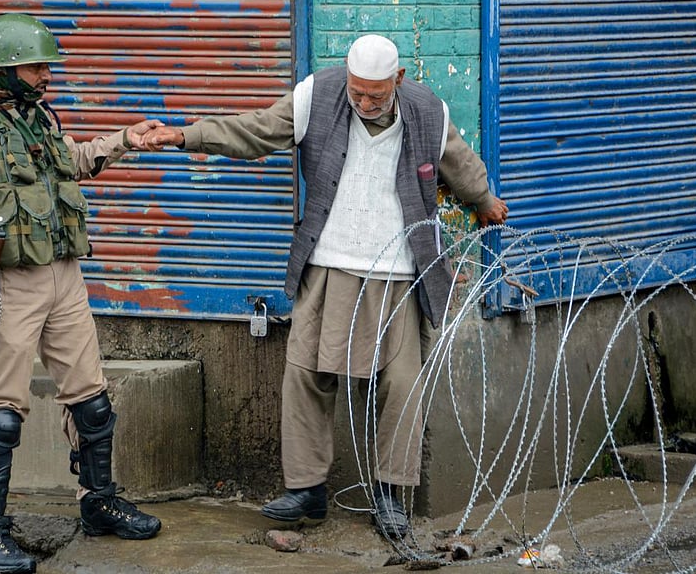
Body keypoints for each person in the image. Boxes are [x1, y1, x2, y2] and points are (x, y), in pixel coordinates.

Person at [145, 33, 508, 539]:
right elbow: (253, 132)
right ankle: (307, 490)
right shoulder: (316, 95)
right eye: (357, 92)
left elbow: (459, 163)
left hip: (398, 271)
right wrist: (186, 136)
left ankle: (389, 495)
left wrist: (484, 199)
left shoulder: (428, 110)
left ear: (398, 81)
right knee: (306, 374)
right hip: (329, 263)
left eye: (375, 96)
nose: (362, 103)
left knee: (401, 384)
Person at [0, 13, 162, 573]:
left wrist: (124, 140)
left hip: (63, 275)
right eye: (35, 66)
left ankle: (97, 502)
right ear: (3, 69)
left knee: (93, 402)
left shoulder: (37, 121)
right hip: (7, 284)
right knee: (2, 413)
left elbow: (71, 164)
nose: (45, 76)